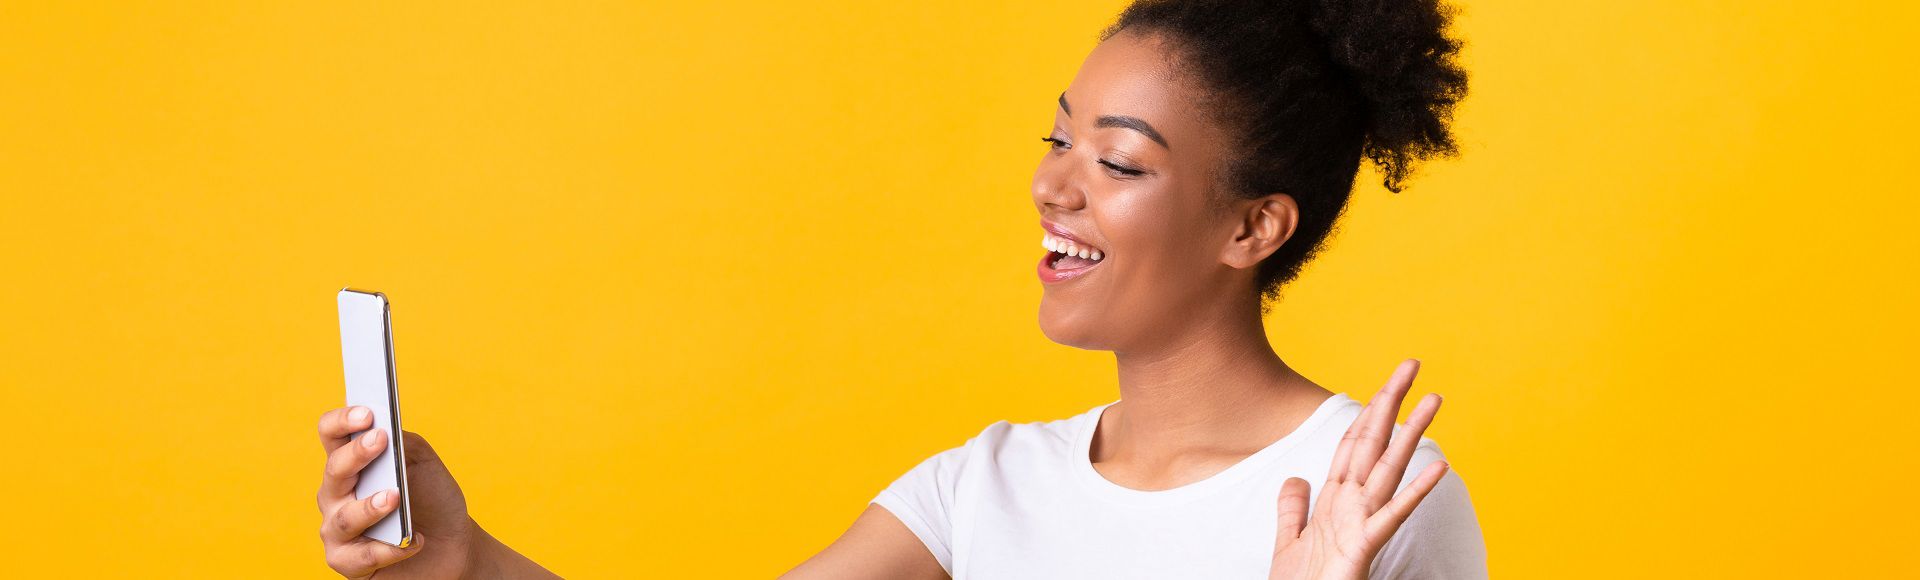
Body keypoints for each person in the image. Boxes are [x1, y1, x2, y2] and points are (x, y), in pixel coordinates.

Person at [314, 0, 1479, 577]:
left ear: (1252, 225)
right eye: (1058, 140)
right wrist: (461, 557)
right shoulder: (981, 488)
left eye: (1118, 162)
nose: (1052, 187)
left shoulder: (1366, 499)